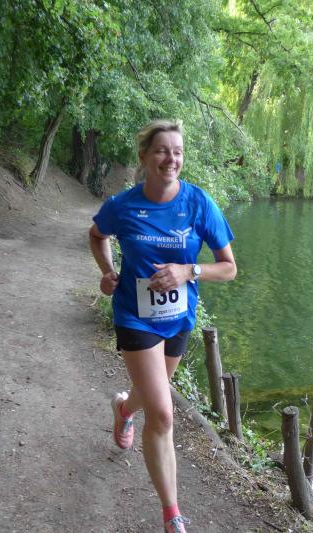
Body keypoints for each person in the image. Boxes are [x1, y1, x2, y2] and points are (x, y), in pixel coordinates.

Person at [89, 119, 237, 533]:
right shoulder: (123, 205)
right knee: (163, 414)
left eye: (177, 151)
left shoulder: (199, 203)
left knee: (152, 394)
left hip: (179, 319)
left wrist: (189, 270)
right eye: (161, 150)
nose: (170, 158)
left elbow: (229, 268)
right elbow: (97, 235)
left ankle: (123, 410)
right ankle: (173, 516)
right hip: (134, 316)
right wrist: (107, 271)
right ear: (144, 156)